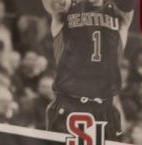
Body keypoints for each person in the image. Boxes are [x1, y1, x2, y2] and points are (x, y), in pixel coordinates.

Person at [44, 0, 135, 137]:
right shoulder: (68, 8)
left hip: (104, 107)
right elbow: (51, 3)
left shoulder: (118, 12)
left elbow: (128, 5)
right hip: (68, 102)